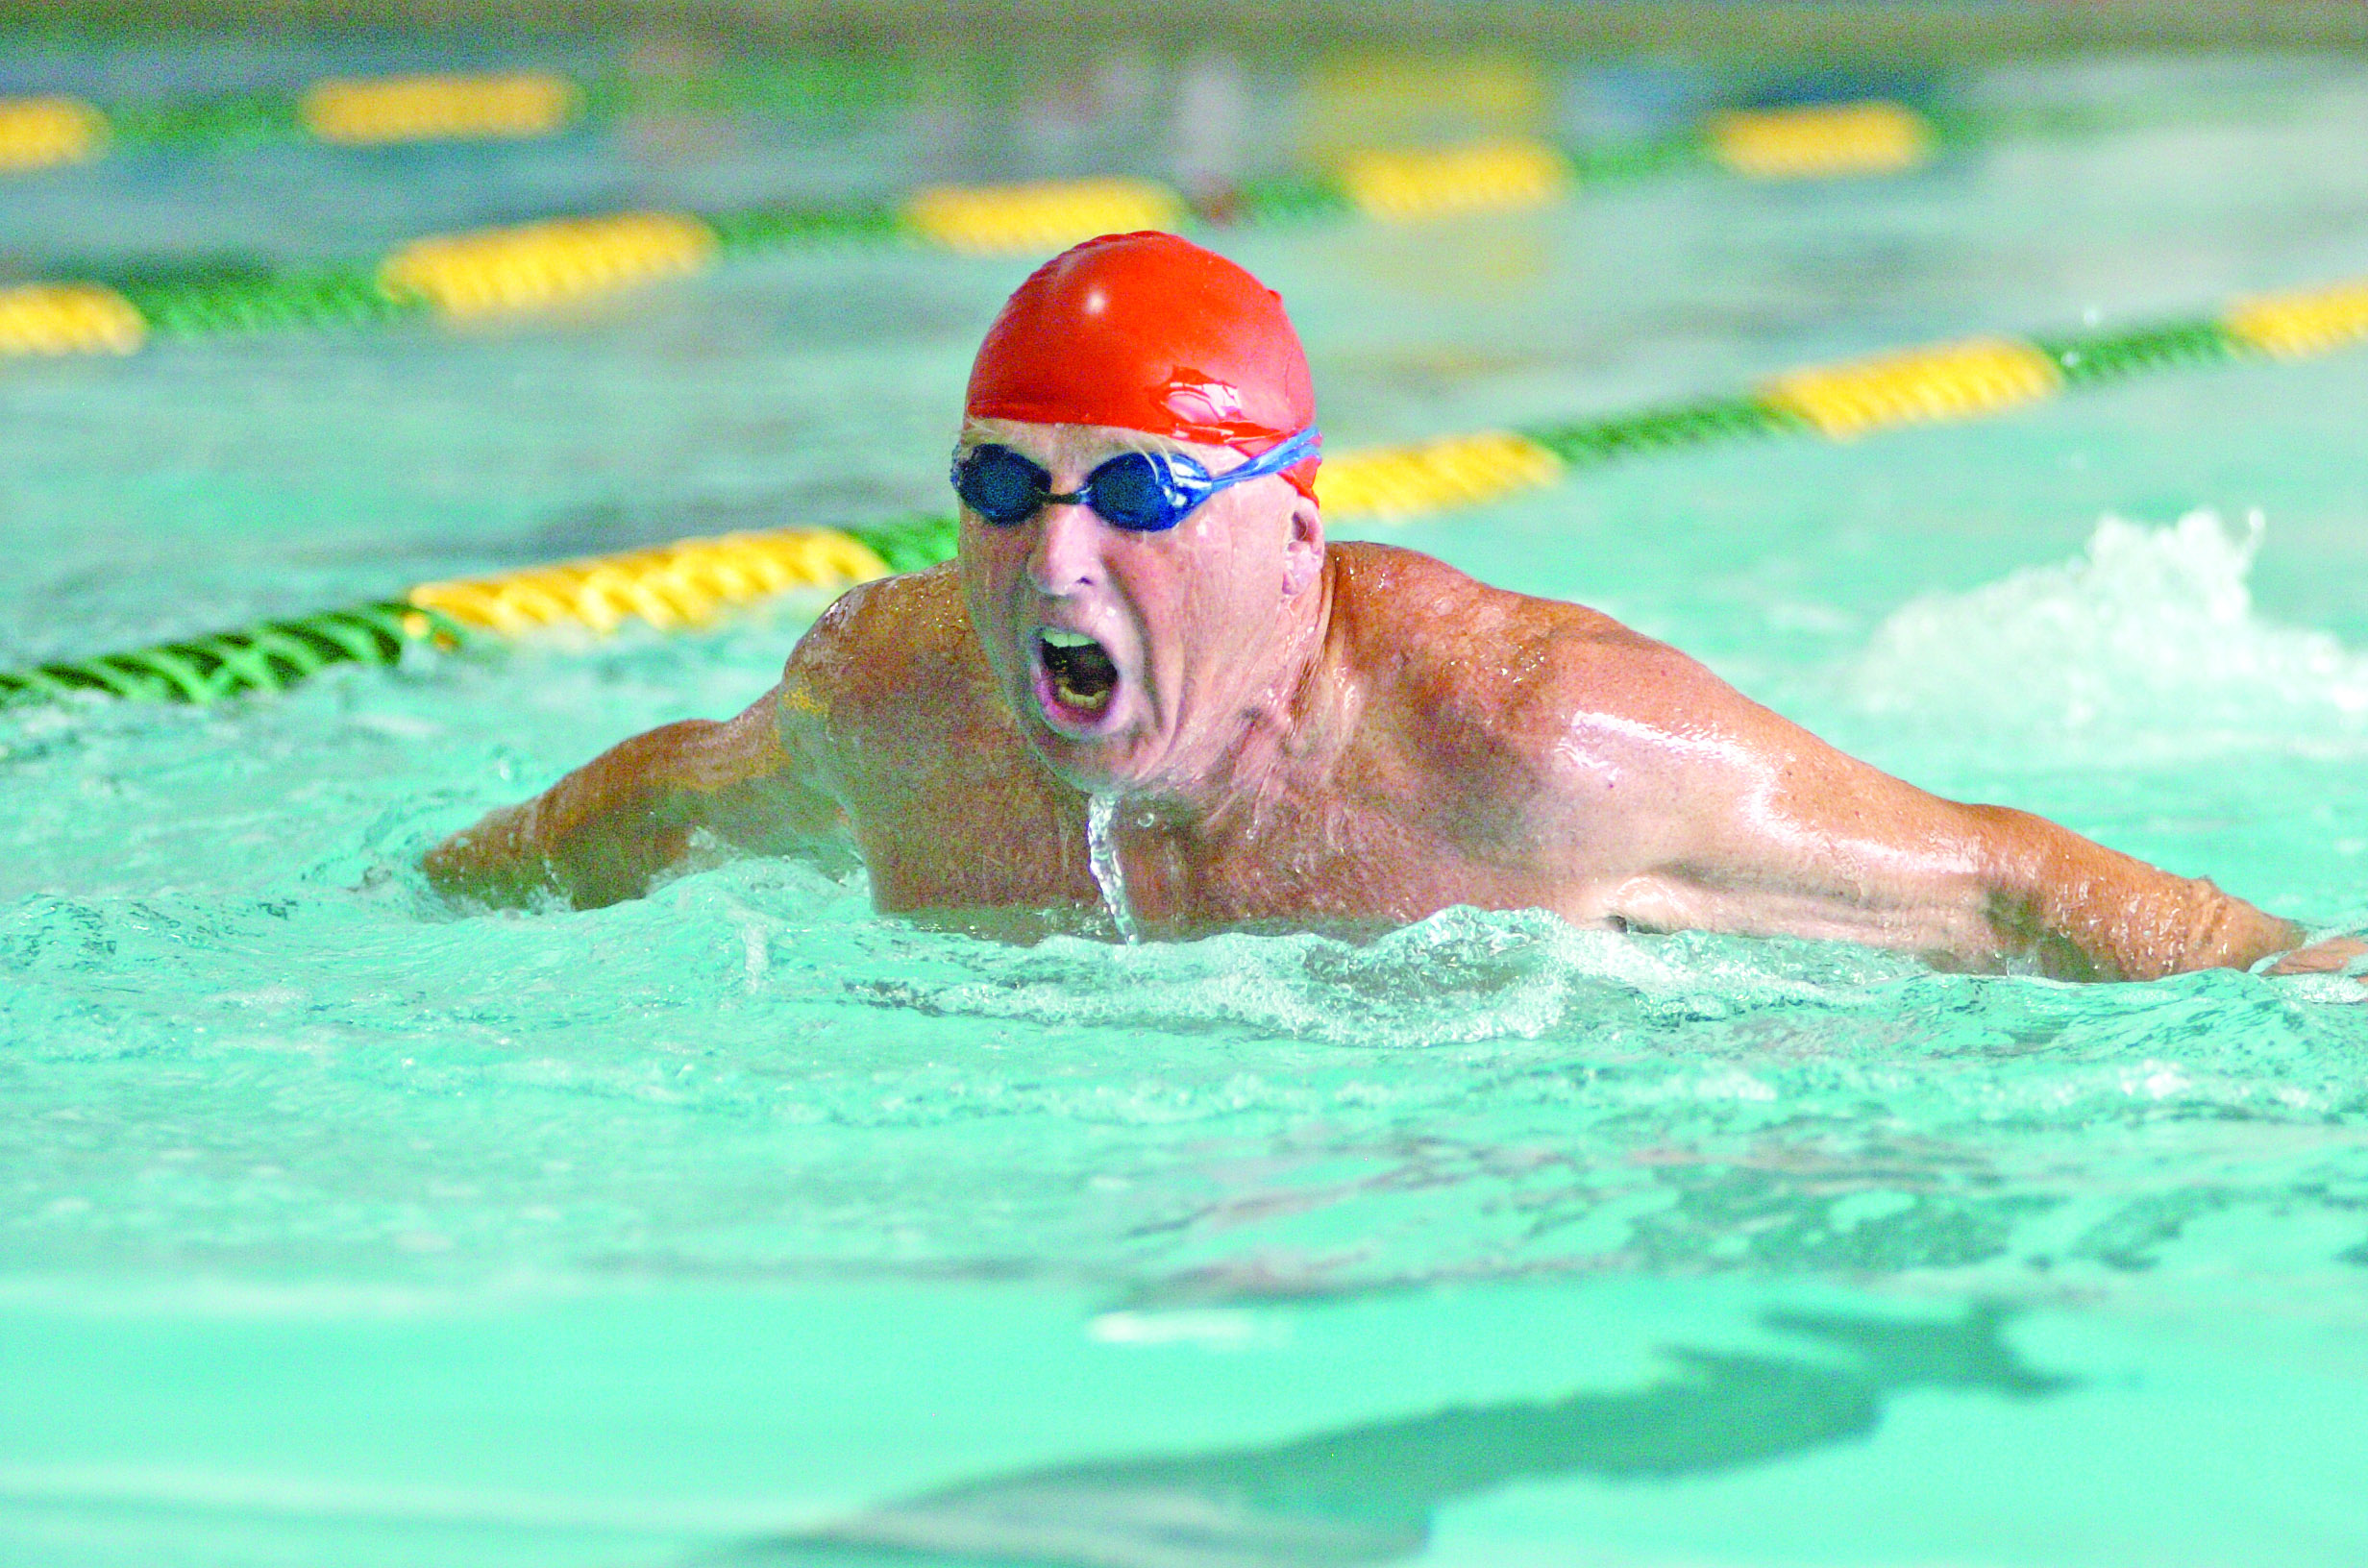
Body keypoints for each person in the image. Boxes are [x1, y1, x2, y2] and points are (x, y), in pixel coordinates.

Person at [425, 232, 2359, 983]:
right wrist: (414, 901)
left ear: (1290, 532)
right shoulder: (893, 708)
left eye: (1133, 501)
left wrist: (2298, 978)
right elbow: (674, 798)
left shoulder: (1531, 748)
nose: (1054, 565)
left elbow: (1989, 883)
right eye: (1000, 493)